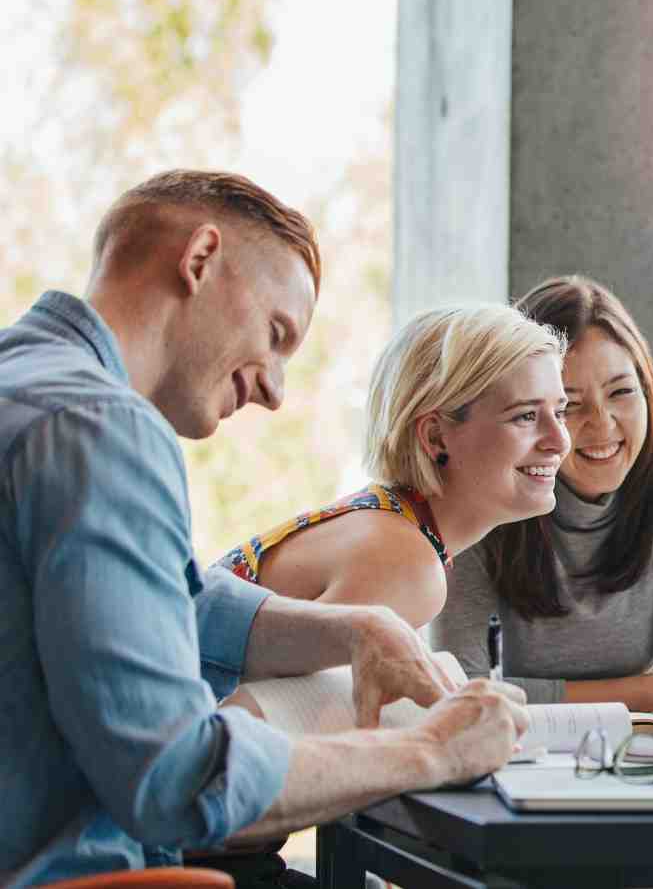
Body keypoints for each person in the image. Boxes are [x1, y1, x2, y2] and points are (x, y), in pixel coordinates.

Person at [0, 171, 531, 888]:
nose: (275, 391)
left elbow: (176, 607)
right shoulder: (101, 428)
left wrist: (357, 629)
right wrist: (434, 750)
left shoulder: (27, 385)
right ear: (200, 260)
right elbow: (176, 779)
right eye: (276, 335)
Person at [432, 275, 653, 709]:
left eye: (621, 392)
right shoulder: (483, 498)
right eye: (569, 405)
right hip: (520, 752)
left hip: (651, 752)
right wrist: (650, 688)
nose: (601, 424)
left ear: (649, 391)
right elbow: (460, 692)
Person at [215, 302, 571, 629]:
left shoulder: (392, 524)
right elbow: (267, 699)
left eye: (560, 412)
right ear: (435, 437)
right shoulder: (405, 565)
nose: (560, 440)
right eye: (525, 416)